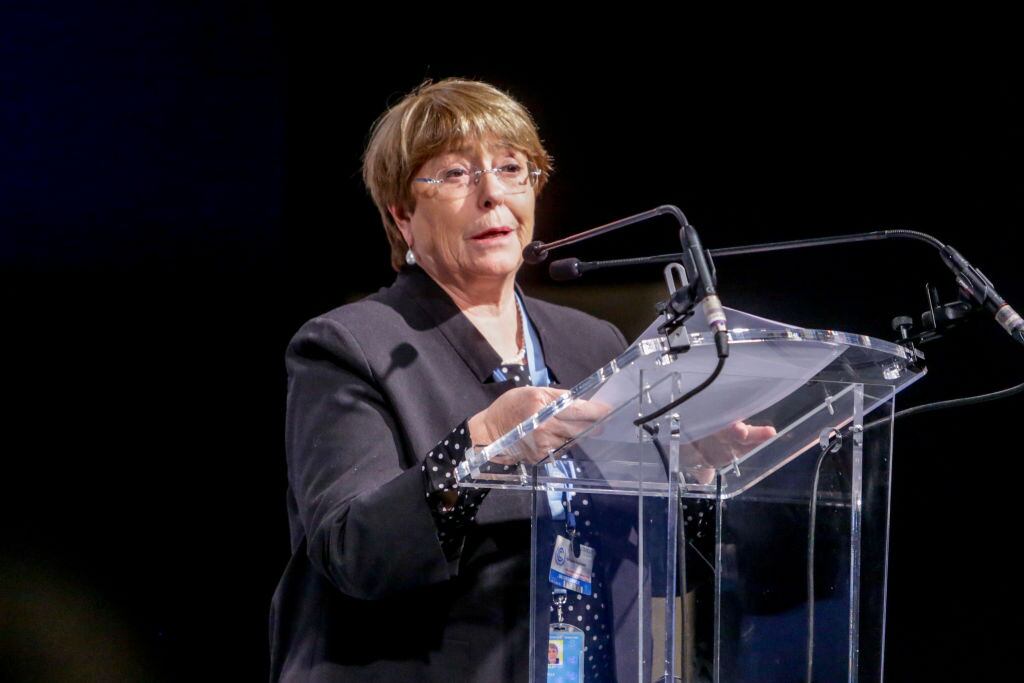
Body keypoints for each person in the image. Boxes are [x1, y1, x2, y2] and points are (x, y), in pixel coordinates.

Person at [269, 78, 629, 682]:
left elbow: (640, 548)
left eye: (512, 168)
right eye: (456, 175)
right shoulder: (350, 345)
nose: (492, 194)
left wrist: (700, 475)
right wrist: (483, 443)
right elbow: (353, 553)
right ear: (403, 216)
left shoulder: (593, 343)